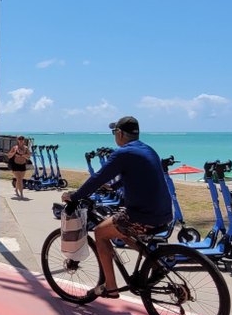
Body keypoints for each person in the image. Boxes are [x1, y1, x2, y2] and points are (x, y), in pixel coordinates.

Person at [62, 116, 172, 299]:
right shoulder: (148, 150)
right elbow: (136, 174)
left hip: (142, 216)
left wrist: (74, 196)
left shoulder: (122, 154)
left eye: (114, 132)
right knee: (120, 229)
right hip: (164, 213)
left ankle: (111, 287)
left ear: (120, 133)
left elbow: (97, 178)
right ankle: (156, 265)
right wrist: (114, 187)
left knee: (100, 232)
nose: (114, 136)